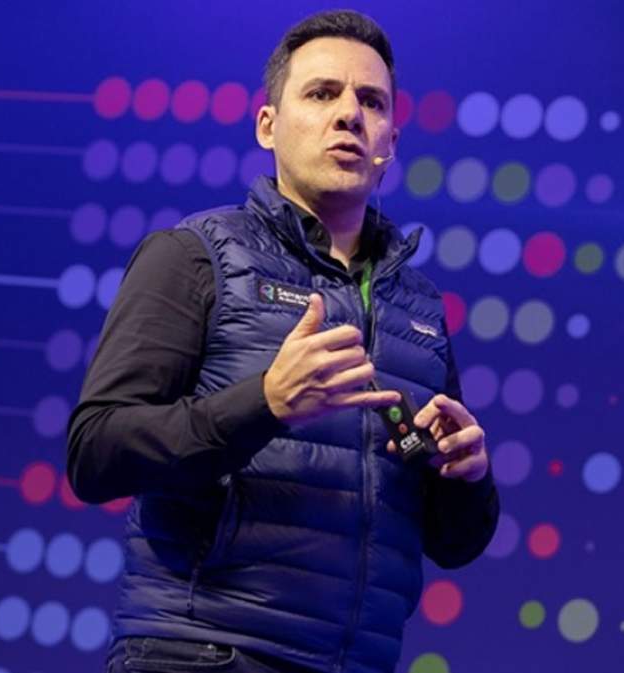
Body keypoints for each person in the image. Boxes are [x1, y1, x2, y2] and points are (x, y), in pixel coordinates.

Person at [67, 9, 499, 673]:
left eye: (372, 102)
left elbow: (453, 543)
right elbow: (96, 453)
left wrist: (465, 480)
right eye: (322, 93)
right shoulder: (193, 256)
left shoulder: (418, 307)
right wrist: (264, 402)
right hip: (204, 653)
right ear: (268, 125)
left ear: (391, 140)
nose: (349, 114)